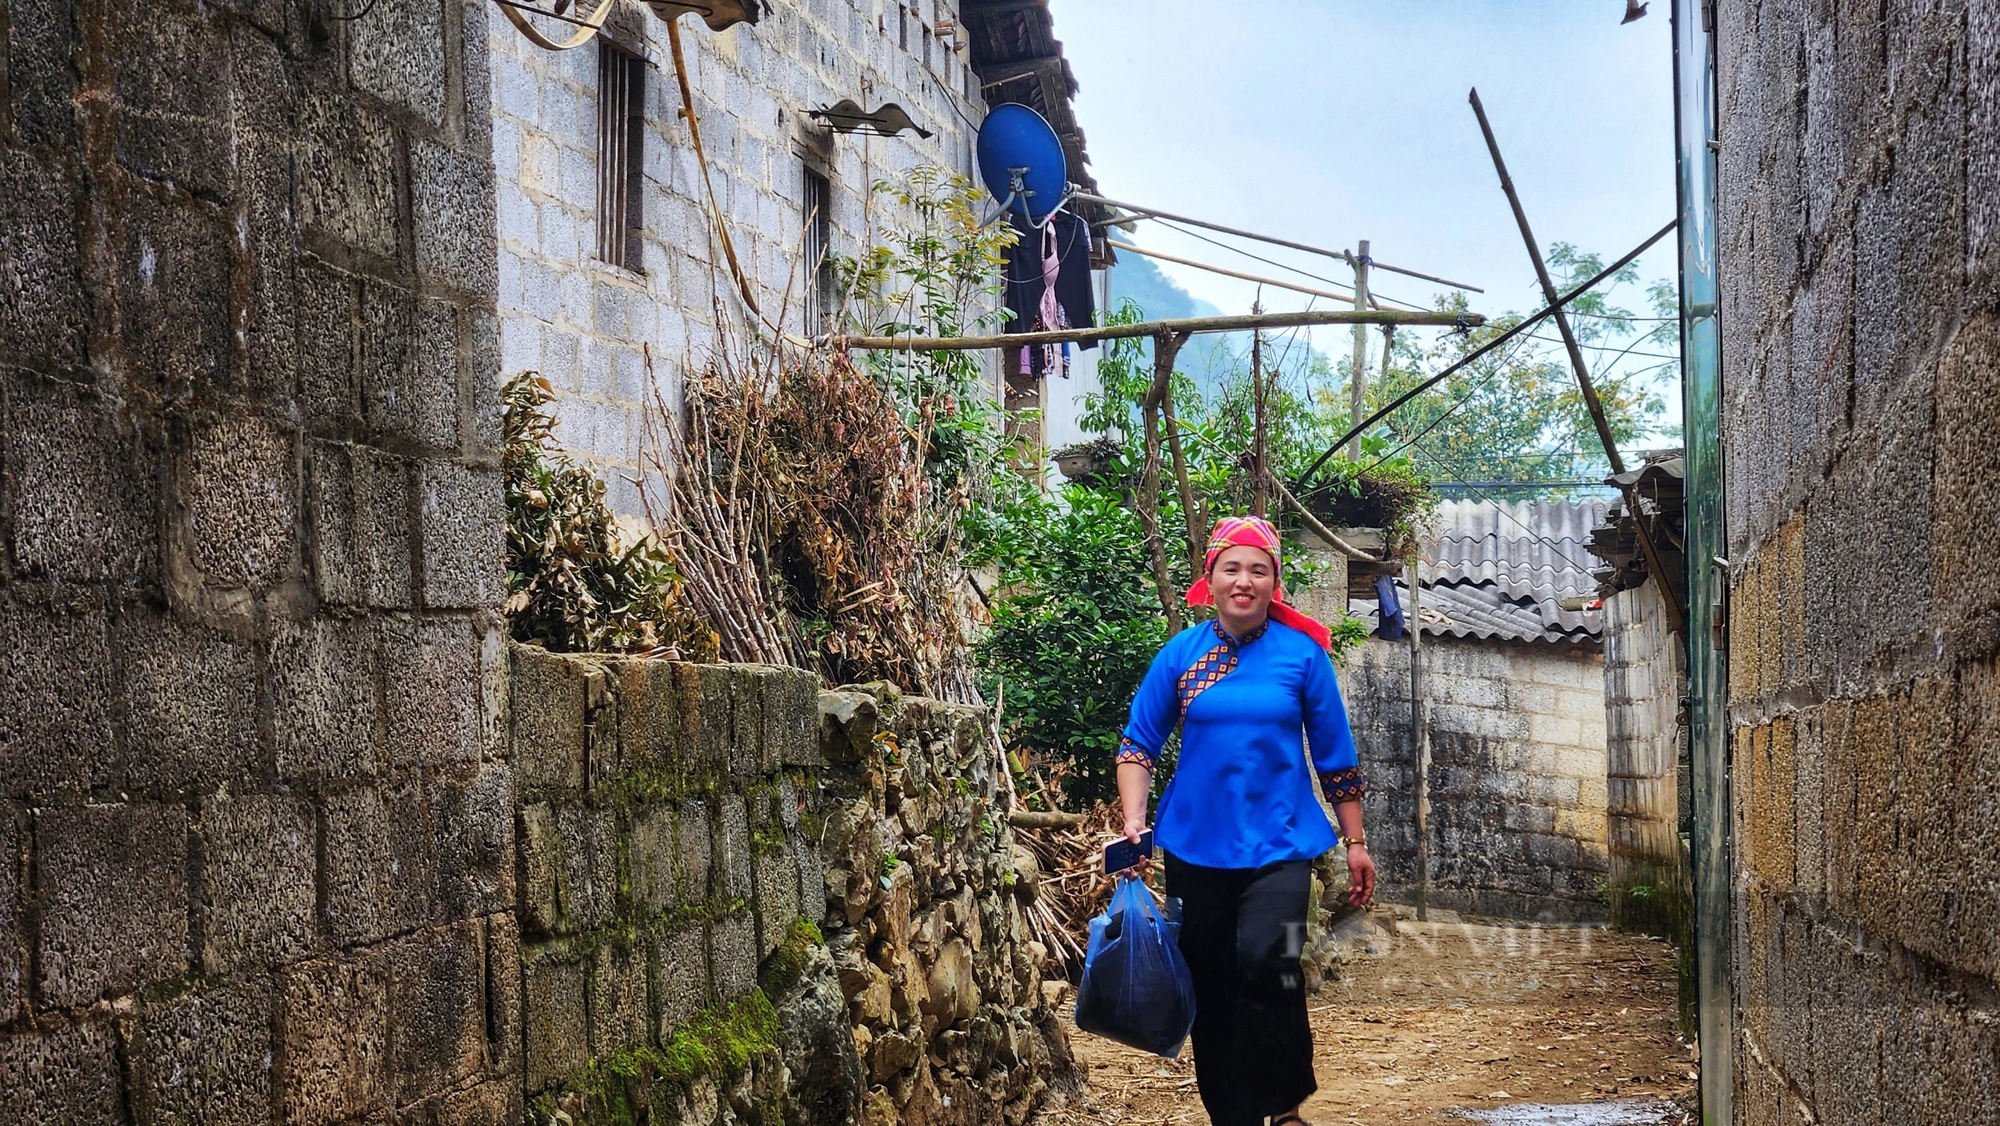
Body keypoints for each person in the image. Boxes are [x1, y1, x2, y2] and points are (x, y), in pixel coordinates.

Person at [1113, 515, 1375, 1126]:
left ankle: (1282, 1103)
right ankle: (1233, 1115)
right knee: (1211, 979)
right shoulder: (1182, 656)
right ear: (1210, 578)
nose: (1244, 580)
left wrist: (1355, 841)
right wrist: (1135, 822)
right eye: (1232, 568)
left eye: (1258, 570)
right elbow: (1137, 747)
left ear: (1273, 583)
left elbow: (1337, 759)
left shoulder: (1303, 657)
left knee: (1269, 958)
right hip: (1194, 847)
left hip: (1282, 846)